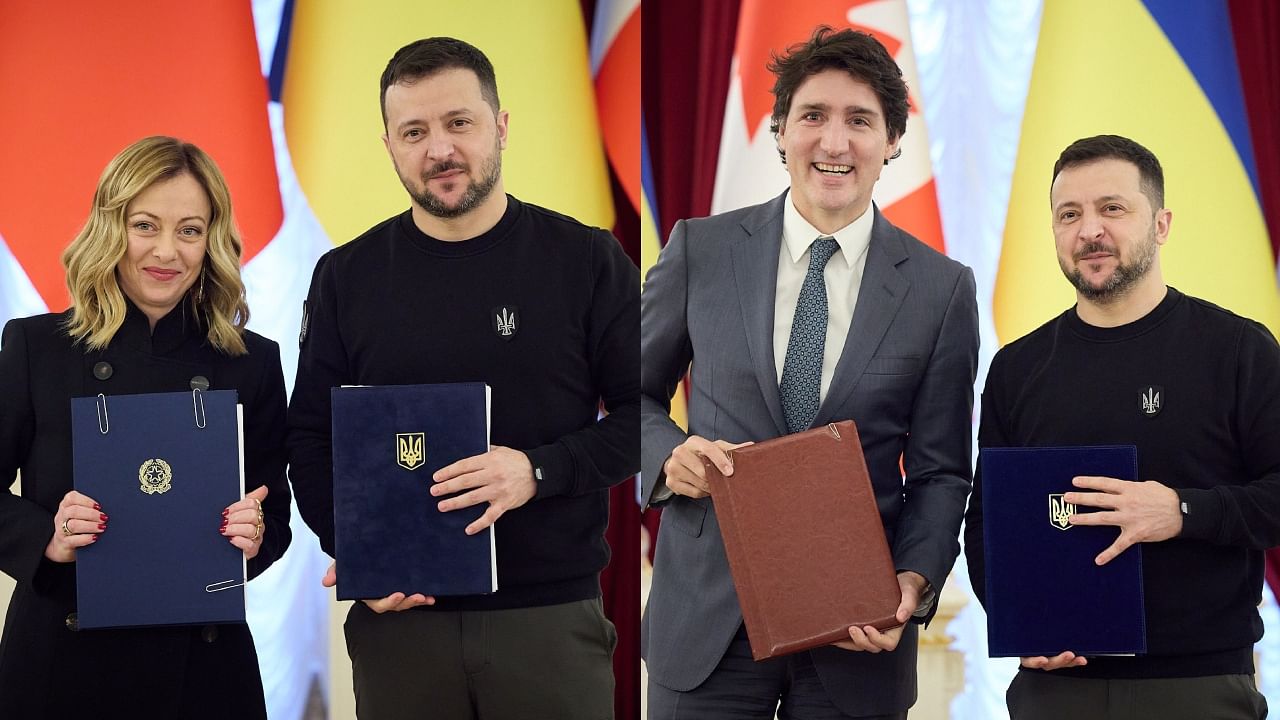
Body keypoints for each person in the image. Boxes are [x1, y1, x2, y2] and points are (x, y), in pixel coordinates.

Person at [286, 37, 639, 720]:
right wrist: (356, 553)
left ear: (500, 126)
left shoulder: (586, 259)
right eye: (414, 131)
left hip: (550, 618)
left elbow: (640, 419)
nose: (439, 149)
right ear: (388, 143)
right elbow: (309, 437)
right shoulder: (346, 277)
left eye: (458, 123)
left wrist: (536, 470)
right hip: (401, 623)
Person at [642, 25, 979, 719]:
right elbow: (627, 398)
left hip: (856, 629)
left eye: (860, 121)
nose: (834, 142)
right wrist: (668, 457)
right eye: (813, 117)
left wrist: (912, 584)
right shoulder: (699, 251)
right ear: (778, 131)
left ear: (892, 141)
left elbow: (943, 470)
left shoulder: (941, 290)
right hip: (708, 623)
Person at [963, 134, 1278, 720]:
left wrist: (1182, 512)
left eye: (1112, 208)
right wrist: (1018, 623)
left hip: (1197, 685)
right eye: (1069, 214)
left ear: (1160, 224)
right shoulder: (1018, 368)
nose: (1089, 231)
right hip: (1054, 689)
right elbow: (988, 519)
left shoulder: (1238, 350)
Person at [0, 136, 292, 718]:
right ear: (111, 228)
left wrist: (254, 535)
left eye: (189, 229)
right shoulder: (36, 347)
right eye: (144, 225)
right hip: (63, 664)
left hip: (204, 671)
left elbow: (274, 516)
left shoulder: (252, 361)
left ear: (212, 240)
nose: (166, 251)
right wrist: (50, 540)